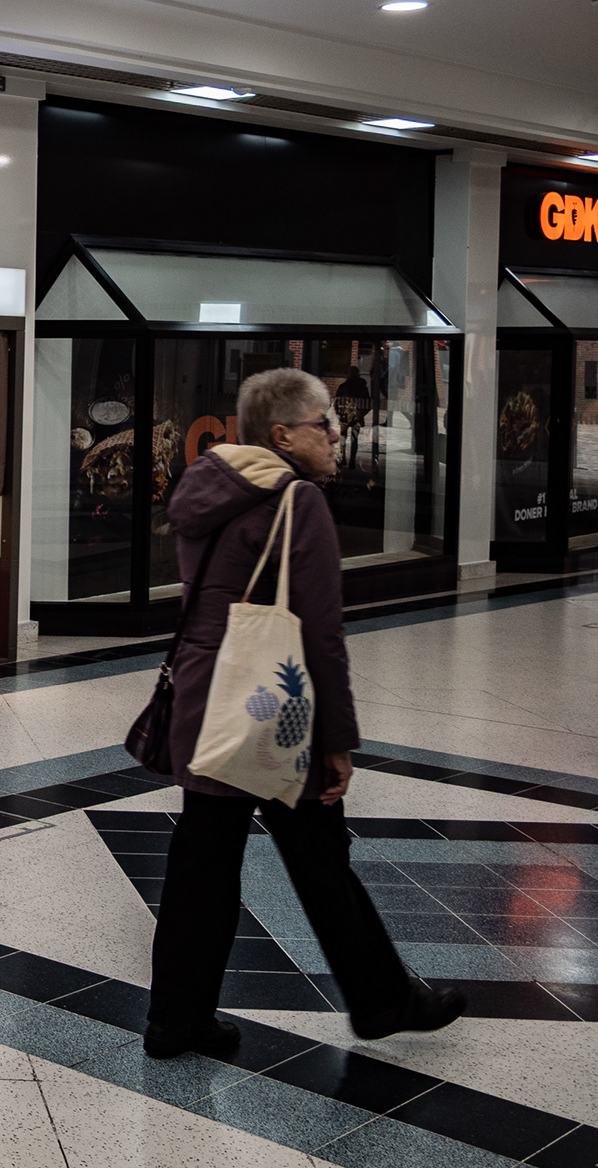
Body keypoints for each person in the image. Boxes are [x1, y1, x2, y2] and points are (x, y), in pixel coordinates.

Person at [145, 367, 464, 1059]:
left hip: (207, 695)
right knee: (321, 858)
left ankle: (175, 1019)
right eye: (326, 424)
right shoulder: (297, 501)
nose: (338, 436)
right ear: (284, 433)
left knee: (202, 862)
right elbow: (320, 632)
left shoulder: (207, 484)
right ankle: (383, 1000)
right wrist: (339, 741)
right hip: (273, 702)